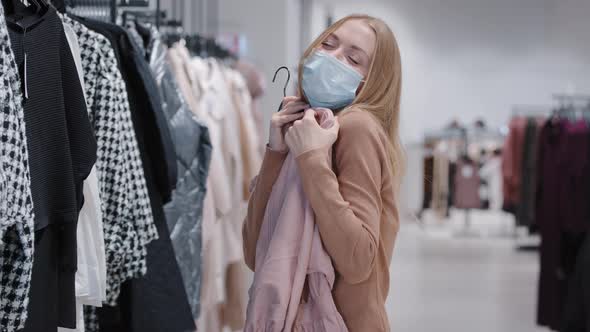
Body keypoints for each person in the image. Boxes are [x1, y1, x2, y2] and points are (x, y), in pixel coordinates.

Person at [242, 14, 403, 331]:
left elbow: (358, 261)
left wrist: (311, 158)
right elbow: (253, 253)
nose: (332, 58)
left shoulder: (357, 128)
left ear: (370, 83)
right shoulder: (307, 125)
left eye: (353, 59)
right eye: (328, 44)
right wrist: (277, 152)